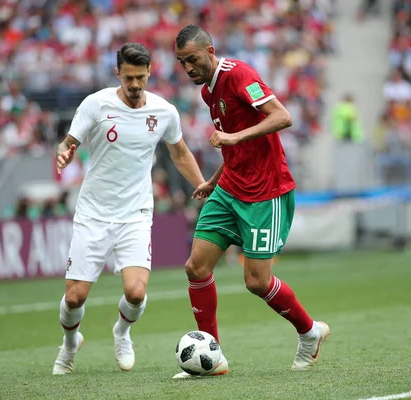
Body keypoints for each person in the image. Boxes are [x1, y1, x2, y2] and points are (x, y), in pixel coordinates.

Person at [173, 25, 330, 379]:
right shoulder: (206, 91)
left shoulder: (239, 74)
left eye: (193, 59)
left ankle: (310, 332)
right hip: (230, 187)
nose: (188, 68)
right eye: (182, 62)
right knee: (196, 267)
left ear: (210, 51)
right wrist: (213, 180)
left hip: (265, 191)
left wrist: (233, 136)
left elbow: (282, 116)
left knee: (257, 282)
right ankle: (210, 356)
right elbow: (232, 145)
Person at [52, 42, 207, 375]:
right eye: (128, 78)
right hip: (93, 212)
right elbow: (70, 141)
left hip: (135, 213)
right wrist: (65, 151)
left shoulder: (164, 112)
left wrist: (202, 185)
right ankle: (69, 344)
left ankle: (121, 333)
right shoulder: (95, 104)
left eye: (140, 77)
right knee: (75, 297)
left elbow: (179, 153)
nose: (135, 85)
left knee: (136, 292)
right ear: (117, 73)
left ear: (150, 72)